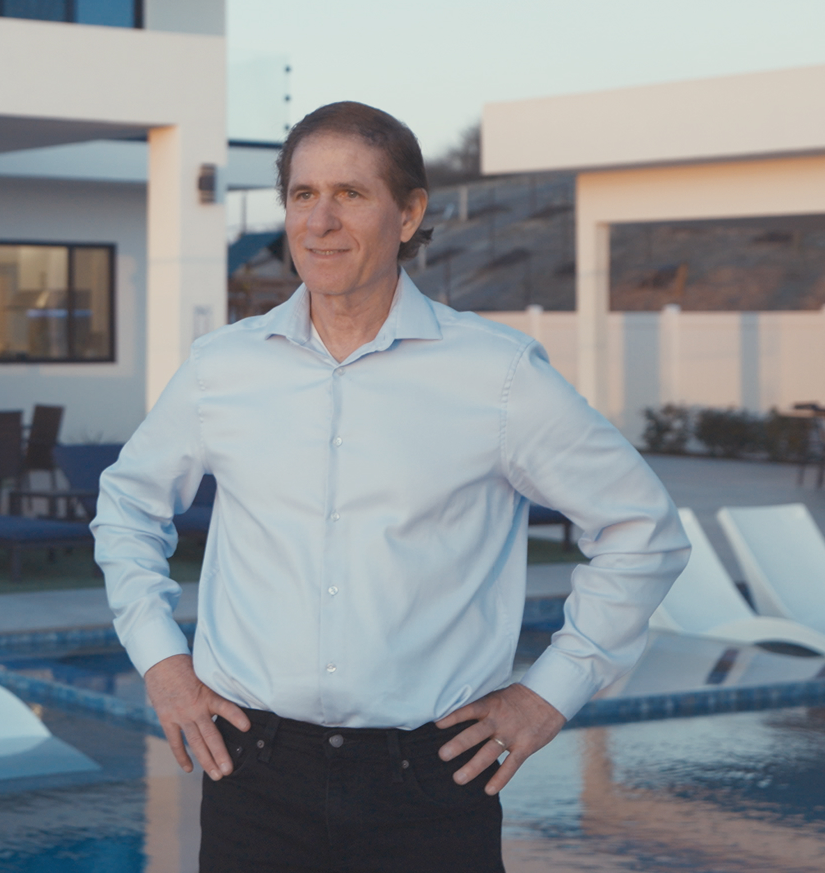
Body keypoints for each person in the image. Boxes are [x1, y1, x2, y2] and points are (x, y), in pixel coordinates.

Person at [92, 101, 690, 873]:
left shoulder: (498, 376)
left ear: (408, 214)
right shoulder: (221, 368)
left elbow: (643, 529)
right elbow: (128, 506)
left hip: (431, 786)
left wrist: (549, 693)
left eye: (350, 194)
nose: (320, 222)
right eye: (303, 195)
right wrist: (162, 665)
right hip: (253, 773)